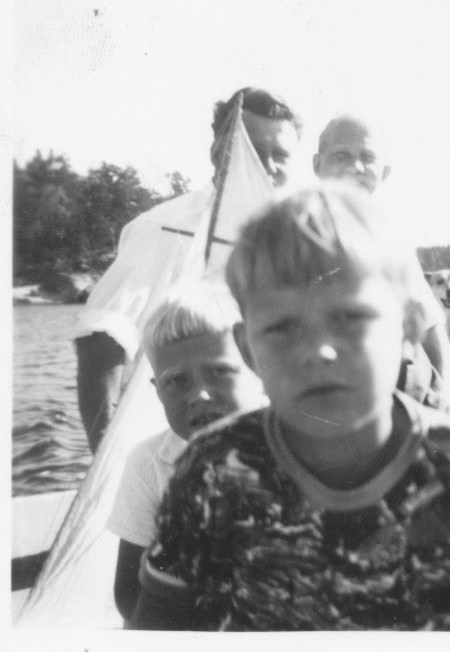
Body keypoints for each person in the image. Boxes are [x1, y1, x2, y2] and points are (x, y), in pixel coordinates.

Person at [129, 183, 450, 631]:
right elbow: (156, 624)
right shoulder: (212, 469)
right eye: (283, 328)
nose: (319, 351)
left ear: (408, 329)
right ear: (248, 350)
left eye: (349, 319)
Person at [74, 87, 303, 452]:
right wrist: (106, 453)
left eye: (281, 156)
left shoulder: (296, 238)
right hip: (173, 444)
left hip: (272, 444)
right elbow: (101, 341)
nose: (268, 167)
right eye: (255, 153)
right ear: (218, 151)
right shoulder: (164, 228)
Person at [107, 281, 266, 621]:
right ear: (157, 391)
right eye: (177, 380)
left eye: (220, 371)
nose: (200, 395)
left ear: (261, 368)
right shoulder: (149, 463)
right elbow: (128, 595)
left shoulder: (302, 446)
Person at [313, 115, 450, 409]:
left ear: (385, 172)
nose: (356, 168)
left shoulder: (392, 242)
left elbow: (431, 328)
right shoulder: (293, 235)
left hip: (402, 398)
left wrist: (449, 402)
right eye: (341, 155)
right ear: (317, 165)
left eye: (368, 158)